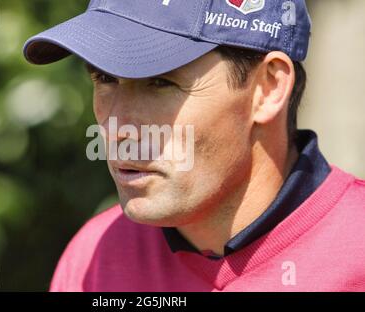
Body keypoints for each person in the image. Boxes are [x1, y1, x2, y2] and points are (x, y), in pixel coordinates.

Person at [23, 0, 365, 291]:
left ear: (268, 88)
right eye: (105, 78)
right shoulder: (95, 258)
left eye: (160, 82)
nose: (119, 128)